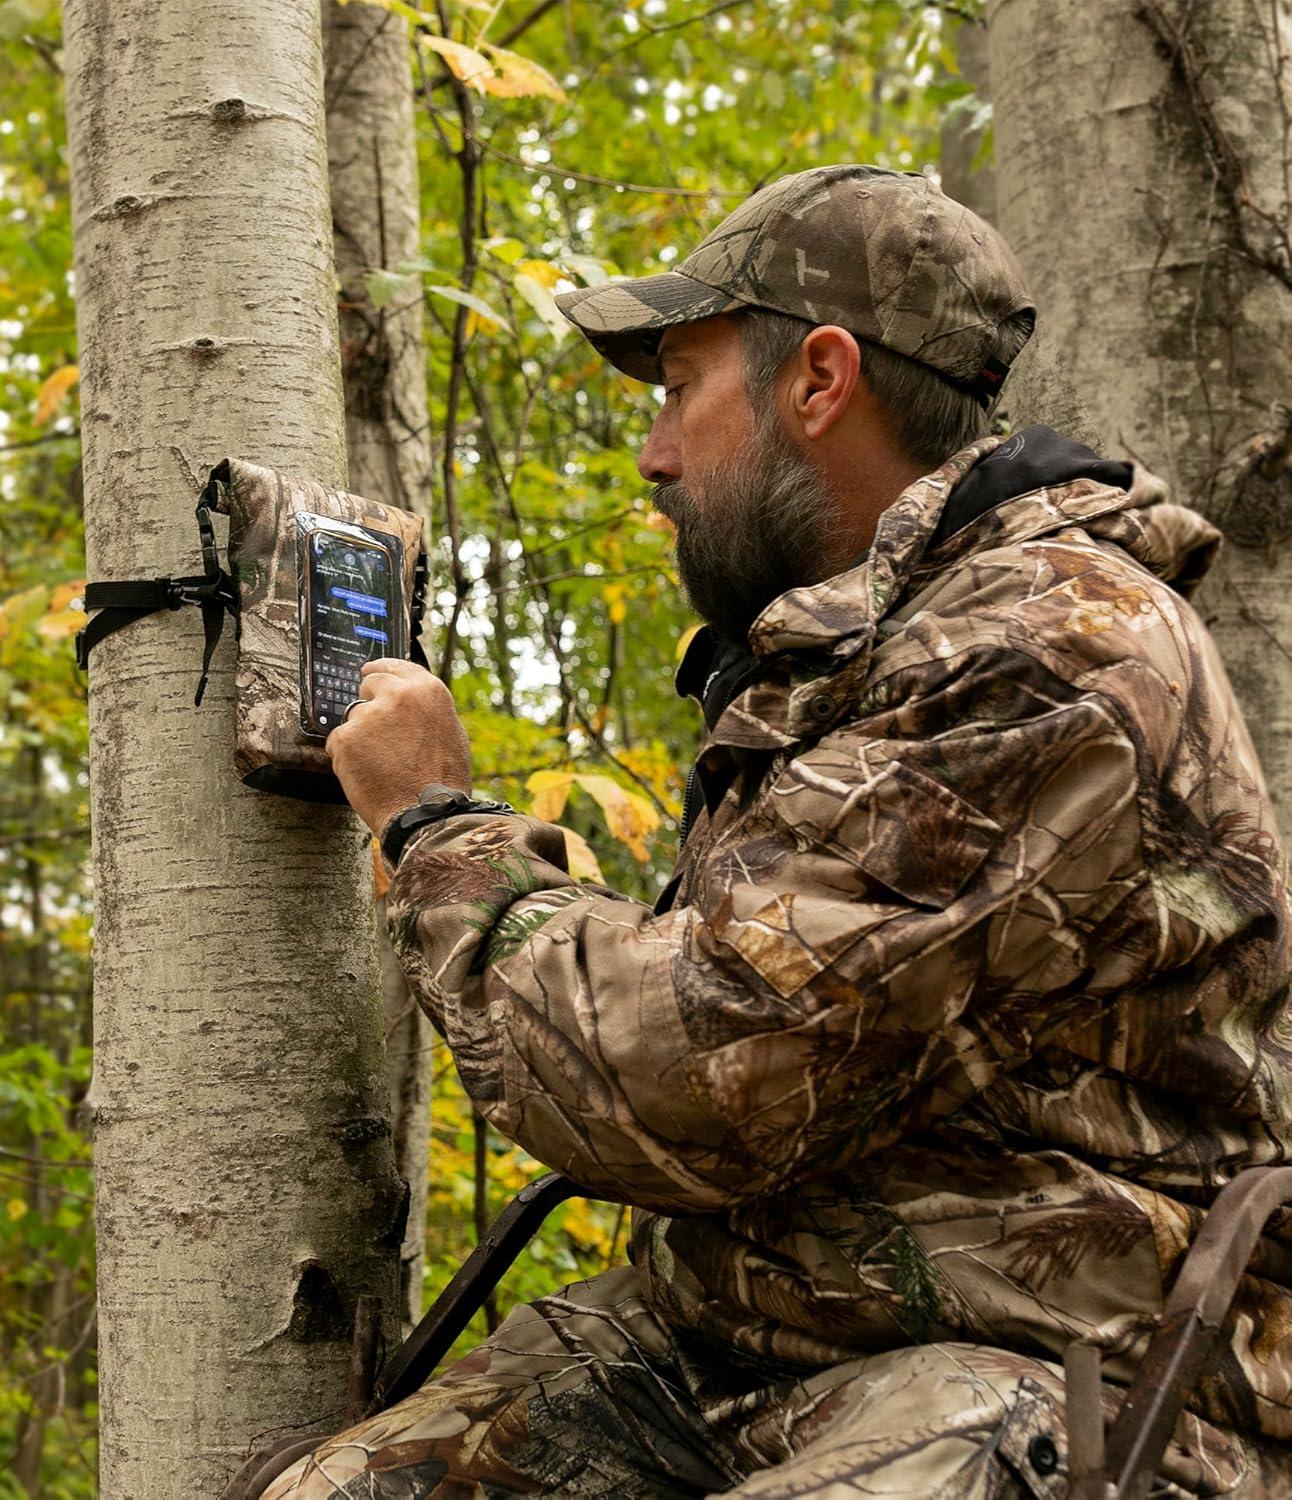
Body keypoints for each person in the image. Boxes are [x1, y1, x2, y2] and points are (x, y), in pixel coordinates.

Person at [270, 165, 1292, 1497]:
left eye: (678, 386)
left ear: (820, 380)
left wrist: (441, 830)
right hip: (738, 1343)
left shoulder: (1047, 650)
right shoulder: (850, 651)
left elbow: (700, 1075)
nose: (652, 452)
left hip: (1074, 1374)